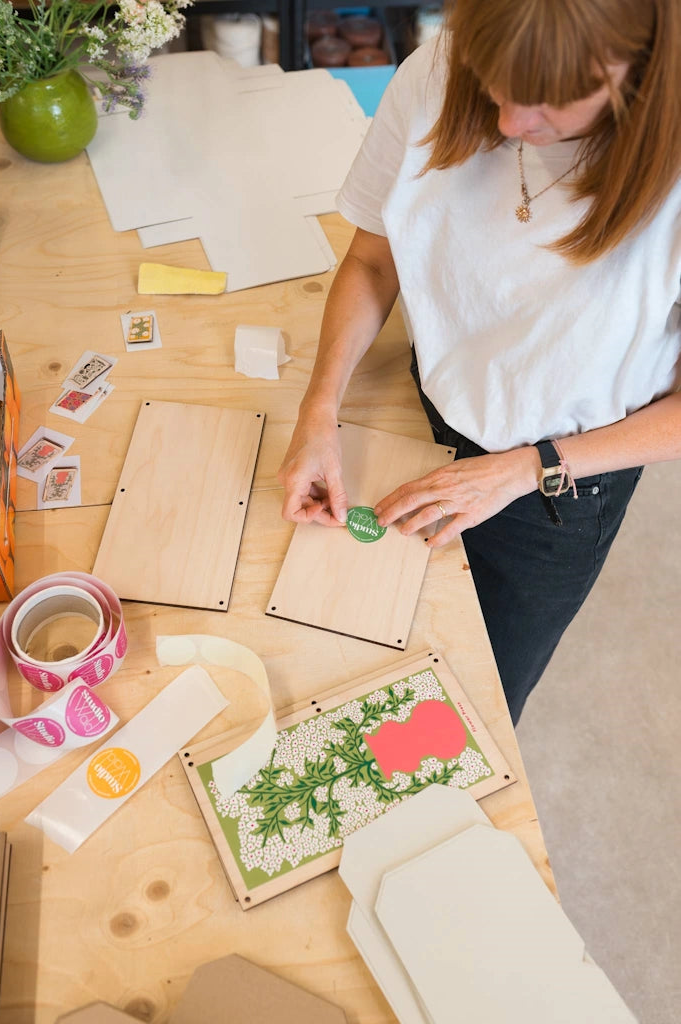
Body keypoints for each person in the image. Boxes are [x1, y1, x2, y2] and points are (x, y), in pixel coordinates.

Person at [278, 0, 681, 724]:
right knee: (354, 654)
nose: (506, 125)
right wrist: (318, 410)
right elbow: (373, 259)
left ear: (637, 71)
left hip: (562, 477)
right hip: (425, 406)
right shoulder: (437, 68)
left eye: (547, 103)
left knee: (468, 707)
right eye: (496, 88)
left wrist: (526, 468)